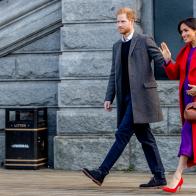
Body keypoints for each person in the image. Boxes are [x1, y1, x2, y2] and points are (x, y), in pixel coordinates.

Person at [82, 7, 167, 188]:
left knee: (122, 134)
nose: (119, 24)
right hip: (126, 99)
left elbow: (161, 63)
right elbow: (114, 73)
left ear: (132, 21)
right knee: (146, 138)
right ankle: (159, 176)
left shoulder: (144, 40)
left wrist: (167, 59)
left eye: (122, 21)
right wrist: (109, 97)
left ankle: (101, 172)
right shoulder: (117, 46)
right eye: (117, 21)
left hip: (142, 99)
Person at [160, 17, 196, 193]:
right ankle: (177, 176)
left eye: (186, 30)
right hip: (190, 105)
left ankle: (177, 176)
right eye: (181, 31)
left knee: (189, 136)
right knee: (188, 135)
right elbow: (175, 74)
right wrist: (168, 60)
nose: (183, 34)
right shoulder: (185, 51)